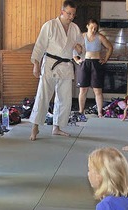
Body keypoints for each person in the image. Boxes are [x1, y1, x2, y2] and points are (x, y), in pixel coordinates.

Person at [29, 1, 84, 140]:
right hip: (50, 64)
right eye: (68, 13)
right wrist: (36, 63)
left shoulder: (75, 28)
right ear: (62, 12)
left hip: (66, 66)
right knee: (43, 95)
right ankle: (35, 127)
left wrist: (79, 50)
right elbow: (39, 46)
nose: (71, 17)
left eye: (73, 14)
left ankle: (57, 127)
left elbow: (82, 49)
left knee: (64, 99)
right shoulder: (50, 25)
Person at [75, 18, 113, 118]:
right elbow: (74, 47)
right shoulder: (81, 36)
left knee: (98, 90)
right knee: (83, 90)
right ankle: (81, 111)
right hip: (84, 62)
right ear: (87, 26)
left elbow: (110, 47)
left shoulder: (100, 37)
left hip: (96, 63)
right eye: (92, 28)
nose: (93, 30)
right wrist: (76, 59)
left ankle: (100, 113)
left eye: (95, 28)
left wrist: (105, 59)